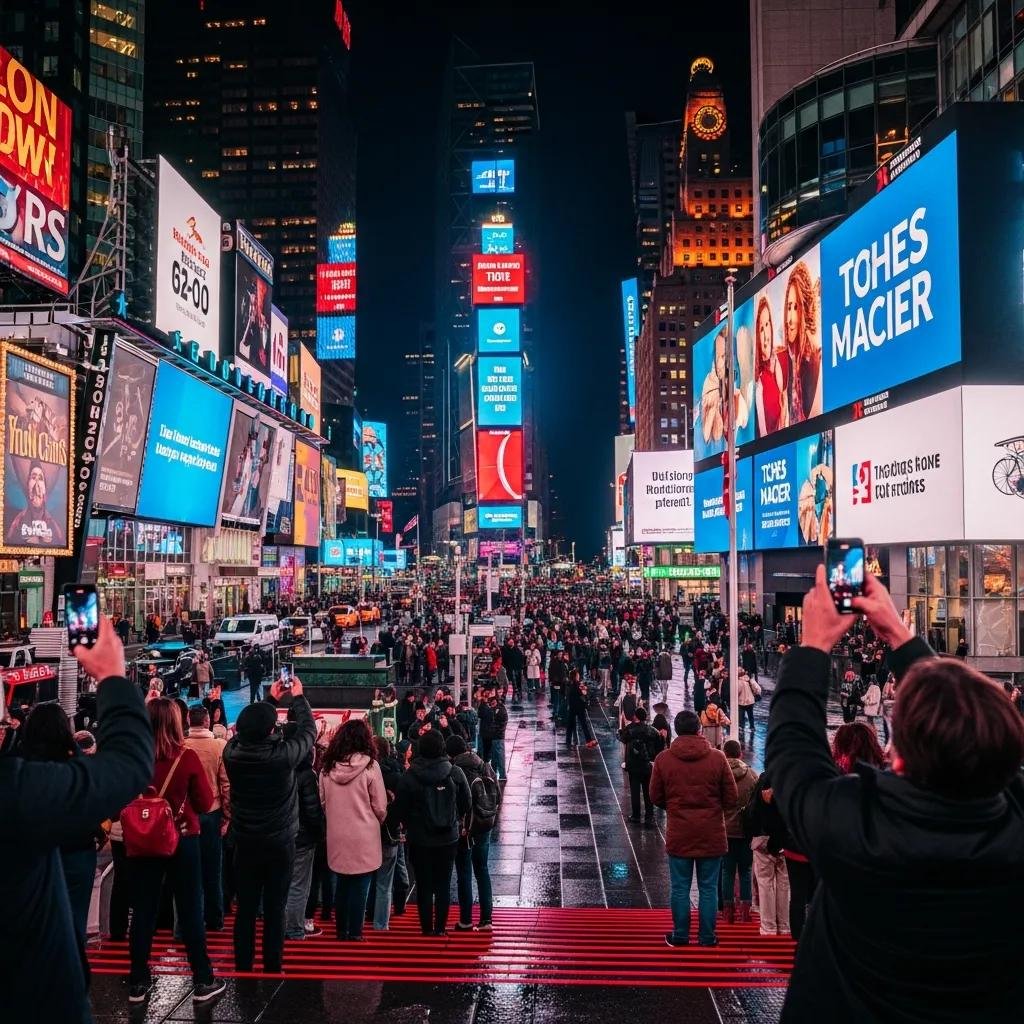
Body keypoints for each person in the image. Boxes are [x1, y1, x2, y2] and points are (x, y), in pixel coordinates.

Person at [767, 564, 1024, 1023]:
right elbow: (794, 752)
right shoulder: (1014, 829)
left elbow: (792, 751)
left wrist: (818, 643)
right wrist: (899, 636)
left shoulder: (857, 829)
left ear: (898, 757)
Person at [127, 698, 223, 1005]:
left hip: (143, 842)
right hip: (183, 840)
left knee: (143, 911)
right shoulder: (186, 758)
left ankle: (138, 982)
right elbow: (206, 803)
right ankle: (202, 978)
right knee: (191, 909)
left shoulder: (134, 759)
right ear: (176, 722)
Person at [223, 675, 316, 973]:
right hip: (279, 842)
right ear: (270, 730)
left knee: (247, 908)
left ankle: (243, 964)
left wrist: (269, 702)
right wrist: (298, 699)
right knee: (275, 906)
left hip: (244, 840)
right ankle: (273, 965)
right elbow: (308, 732)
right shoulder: (281, 757)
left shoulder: (232, 754)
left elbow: (244, 732)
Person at [19, 704, 102, 967]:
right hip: (76, 850)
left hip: (31, 853)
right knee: (74, 918)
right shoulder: (77, 763)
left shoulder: (19, 762)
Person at [650, 710, 738, 948]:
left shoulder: (663, 760)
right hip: (711, 835)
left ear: (677, 730)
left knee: (680, 887)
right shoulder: (718, 759)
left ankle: (680, 935)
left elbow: (655, 796)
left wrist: (675, 807)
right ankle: (707, 937)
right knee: (709, 888)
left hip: (679, 834)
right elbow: (731, 798)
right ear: (700, 729)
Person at [392, 729, 471, 936]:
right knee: (444, 883)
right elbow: (466, 803)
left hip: (419, 837)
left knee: (424, 884)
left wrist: (407, 823)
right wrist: (454, 816)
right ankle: (440, 929)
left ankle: (427, 929)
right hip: (448, 837)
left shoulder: (410, 776)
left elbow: (399, 808)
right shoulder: (455, 772)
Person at [319, 719, 387, 941]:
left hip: (337, 834)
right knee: (361, 886)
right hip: (364, 835)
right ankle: (355, 933)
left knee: (342, 884)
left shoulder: (327, 767)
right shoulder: (370, 766)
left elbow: (322, 801)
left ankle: (341, 931)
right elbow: (380, 805)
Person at [183, 706, 231, 932]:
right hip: (212, 813)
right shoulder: (219, 747)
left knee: (186, 871)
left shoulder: (180, 747)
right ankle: (214, 919)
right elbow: (226, 785)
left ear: (187, 720)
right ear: (208, 721)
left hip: (184, 815)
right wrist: (228, 816)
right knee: (213, 870)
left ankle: (184, 925)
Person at [447, 735, 498, 931]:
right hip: (484, 824)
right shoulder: (484, 765)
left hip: (465, 829)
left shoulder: (456, 771)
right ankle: (486, 920)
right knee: (482, 870)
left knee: (464, 873)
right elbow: (497, 796)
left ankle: (466, 920)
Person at [283, 717, 325, 941]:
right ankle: (294, 928)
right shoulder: (307, 774)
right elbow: (312, 811)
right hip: (302, 836)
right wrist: (319, 833)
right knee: (299, 884)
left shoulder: (279, 766)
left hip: (281, 833)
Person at [744, 772, 791, 937]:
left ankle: (768, 927)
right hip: (786, 841)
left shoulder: (764, 779)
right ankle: (785, 925)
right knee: (784, 884)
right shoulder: (791, 781)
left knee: (765, 883)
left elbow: (753, 811)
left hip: (763, 839)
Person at [720, 738, 759, 923]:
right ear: (740, 754)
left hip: (724, 830)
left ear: (724, 754)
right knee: (745, 871)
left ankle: (727, 913)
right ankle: (745, 912)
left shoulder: (718, 774)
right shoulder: (752, 775)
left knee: (727, 871)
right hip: (745, 830)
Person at [618, 706, 664, 826]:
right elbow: (660, 742)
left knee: (634, 791)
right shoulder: (652, 730)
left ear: (635, 716)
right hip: (647, 764)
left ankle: (636, 815)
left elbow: (622, 738)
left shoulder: (630, 729)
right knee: (648, 791)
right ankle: (649, 816)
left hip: (633, 764)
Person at [754, 294, 788, 436]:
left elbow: (785, 400)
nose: (766, 334)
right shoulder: (758, 380)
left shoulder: (782, 357)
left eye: (767, 324)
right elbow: (763, 433)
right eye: (761, 328)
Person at [735, 669, 761, 734]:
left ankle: (741, 728)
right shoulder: (750, 680)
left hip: (742, 702)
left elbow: (737, 691)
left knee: (741, 716)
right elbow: (758, 689)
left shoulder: (739, 681)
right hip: (750, 701)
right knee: (751, 715)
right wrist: (755, 693)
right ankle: (752, 727)